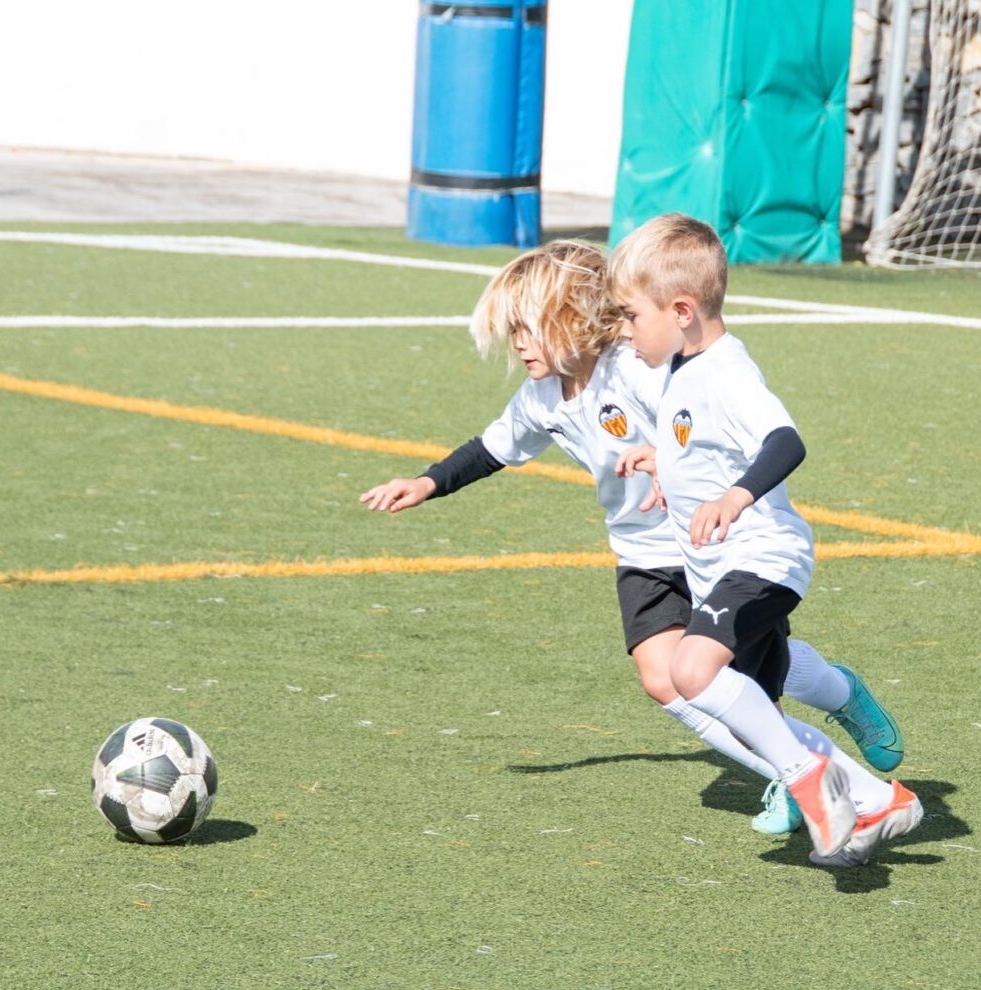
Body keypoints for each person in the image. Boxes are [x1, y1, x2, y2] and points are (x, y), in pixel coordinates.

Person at [359, 240, 900, 844]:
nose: (517, 344)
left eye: (528, 328)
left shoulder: (639, 366)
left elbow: (704, 425)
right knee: (664, 677)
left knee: (740, 679)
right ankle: (794, 770)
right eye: (511, 331)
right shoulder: (543, 396)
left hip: (708, 543)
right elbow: (491, 448)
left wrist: (675, 470)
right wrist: (425, 482)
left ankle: (841, 737)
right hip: (642, 554)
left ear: (573, 318)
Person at [607, 213, 922, 866]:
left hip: (762, 556)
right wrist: (658, 456)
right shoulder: (681, 370)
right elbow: (701, 442)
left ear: (683, 310)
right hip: (718, 570)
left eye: (631, 315)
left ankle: (810, 781)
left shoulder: (725, 372)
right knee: (758, 697)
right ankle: (882, 803)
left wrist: (735, 496)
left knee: (691, 671)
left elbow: (785, 439)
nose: (625, 330)